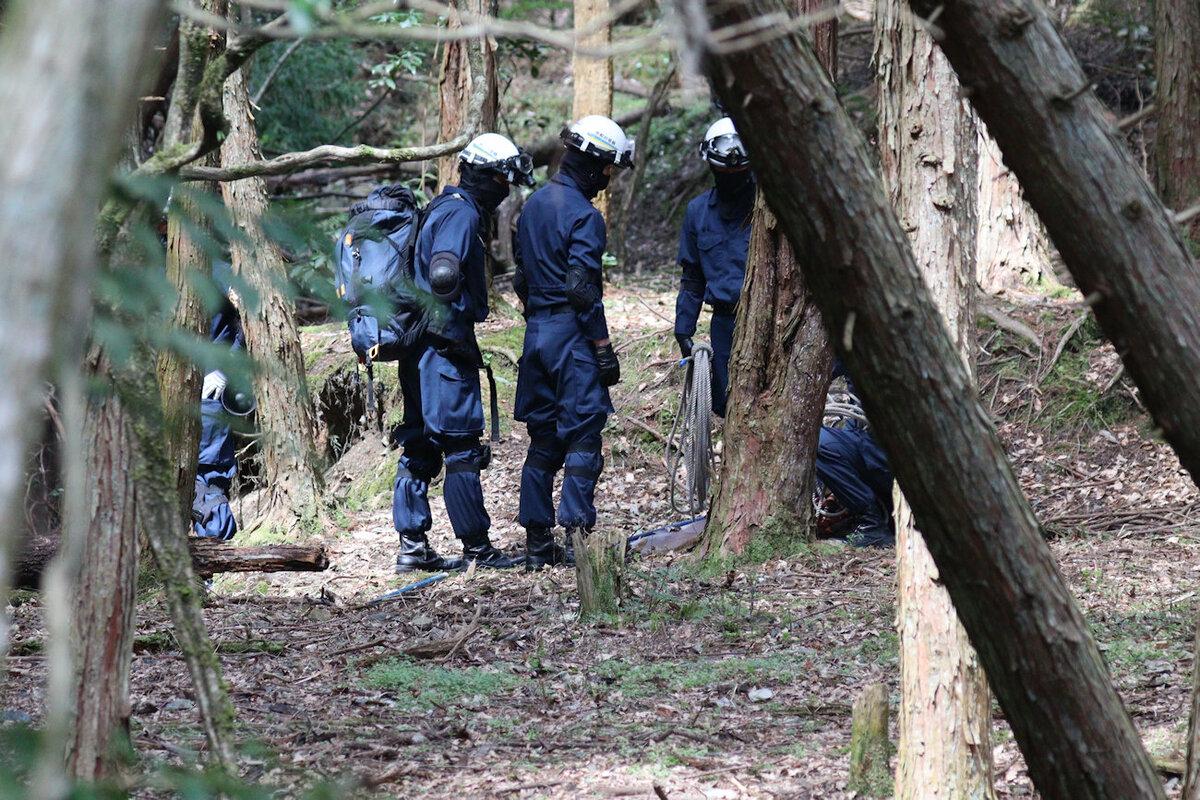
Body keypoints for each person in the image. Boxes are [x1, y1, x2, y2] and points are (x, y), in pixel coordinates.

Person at [392, 132, 535, 573]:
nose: (506, 189)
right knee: (460, 447)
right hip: (444, 350)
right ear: (489, 176)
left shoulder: (441, 205)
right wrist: (450, 314)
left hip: (417, 347)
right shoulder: (461, 213)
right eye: (504, 179)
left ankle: (412, 547)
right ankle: (476, 547)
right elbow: (443, 271)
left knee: (418, 442)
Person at [512, 115, 633, 569]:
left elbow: (522, 279)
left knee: (543, 439)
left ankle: (537, 546)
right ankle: (579, 539)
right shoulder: (585, 216)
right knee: (584, 435)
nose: (609, 177)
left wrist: (539, 318)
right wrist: (602, 346)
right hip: (572, 337)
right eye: (609, 168)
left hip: (535, 335)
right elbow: (581, 288)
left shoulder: (533, 205)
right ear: (595, 164)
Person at [673, 117, 755, 417]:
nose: (732, 177)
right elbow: (692, 278)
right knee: (726, 404)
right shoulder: (697, 212)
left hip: (770, 321)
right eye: (724, 171)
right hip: (725, 322)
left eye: (739, 171)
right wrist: (683, 329)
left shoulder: (770, 207)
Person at [814, 362, 894, 548]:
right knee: (818, 440)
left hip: (893, 464)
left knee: (816, 440)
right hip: (873, 453)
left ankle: (872, 523)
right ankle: (866, 518)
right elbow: (814, 374)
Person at [194, 258, 246, 541]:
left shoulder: (216, 270)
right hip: (168, 394)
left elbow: (251, 318)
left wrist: (227, 370)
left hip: (208, 397)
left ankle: (215, 557)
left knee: (208, 483)